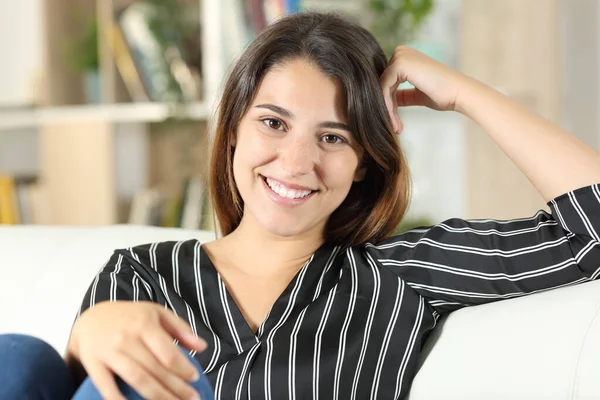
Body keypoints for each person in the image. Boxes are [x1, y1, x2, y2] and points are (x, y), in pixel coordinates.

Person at [2, 11, 599, 400]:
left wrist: (464, 94)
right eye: (273, 123)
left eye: (333, 137)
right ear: (234, 130)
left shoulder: (398, 275)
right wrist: (85, 334)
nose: (295, 162)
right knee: (20, 361)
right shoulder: (141, 274)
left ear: (365, 160)